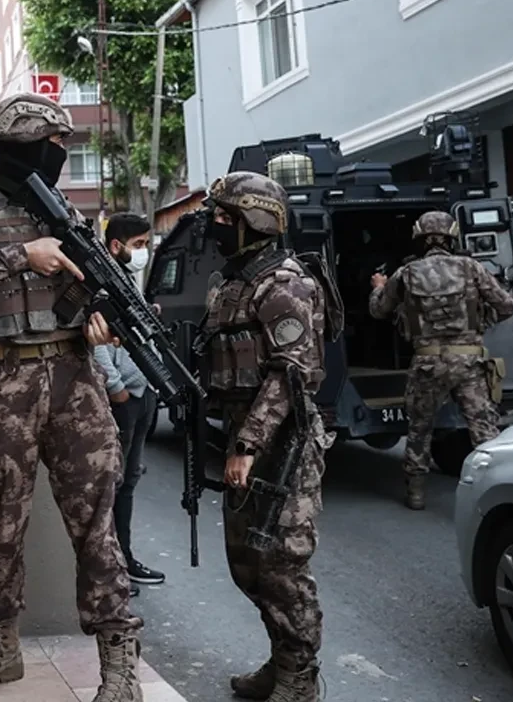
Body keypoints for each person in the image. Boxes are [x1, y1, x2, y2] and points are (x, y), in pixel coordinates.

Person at [0, 93, 143, 702]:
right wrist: (18, 255)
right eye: (54, 146)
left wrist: (97, 316)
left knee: (96, 526)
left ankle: (119, 662)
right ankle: (1, 650)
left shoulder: (67, 216)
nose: (61, 157)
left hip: (75, 380)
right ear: (26, 147)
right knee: (2, 521)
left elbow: (97, 288)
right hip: (1, 381)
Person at [200, 171, 333, 702]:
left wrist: (249, 444)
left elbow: (291, 372)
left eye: (224, 217)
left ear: (254, 221)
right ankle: (282, 660)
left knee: (282, 563)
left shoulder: (285, 284)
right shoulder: (233, 283)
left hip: (285, 443)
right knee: (247, 564)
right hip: (242, 436)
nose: (214, 224)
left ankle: (300, 674)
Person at [369, 211, 513, 510]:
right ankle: (500, 490)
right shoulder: (471, 267)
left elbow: (379, 311)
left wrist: (378, 287)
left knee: (420, 429)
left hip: (427, 364)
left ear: (420, 239)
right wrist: (481, 322)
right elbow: (507, 306)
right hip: (469, 364)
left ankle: (416, 493)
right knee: (484, 431)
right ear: (452, 237)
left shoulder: (406, 273)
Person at [92, 212, 166, 597]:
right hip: (124, 397)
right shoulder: (103, 281)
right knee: (114, 483)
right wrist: (117, 387)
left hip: (143, 393)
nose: (144, 253)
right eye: (138, 246)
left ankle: (125, 557)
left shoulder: (128, 279)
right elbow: (98, 341)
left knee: (130, 481)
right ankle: (112, 566)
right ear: (116, 246)